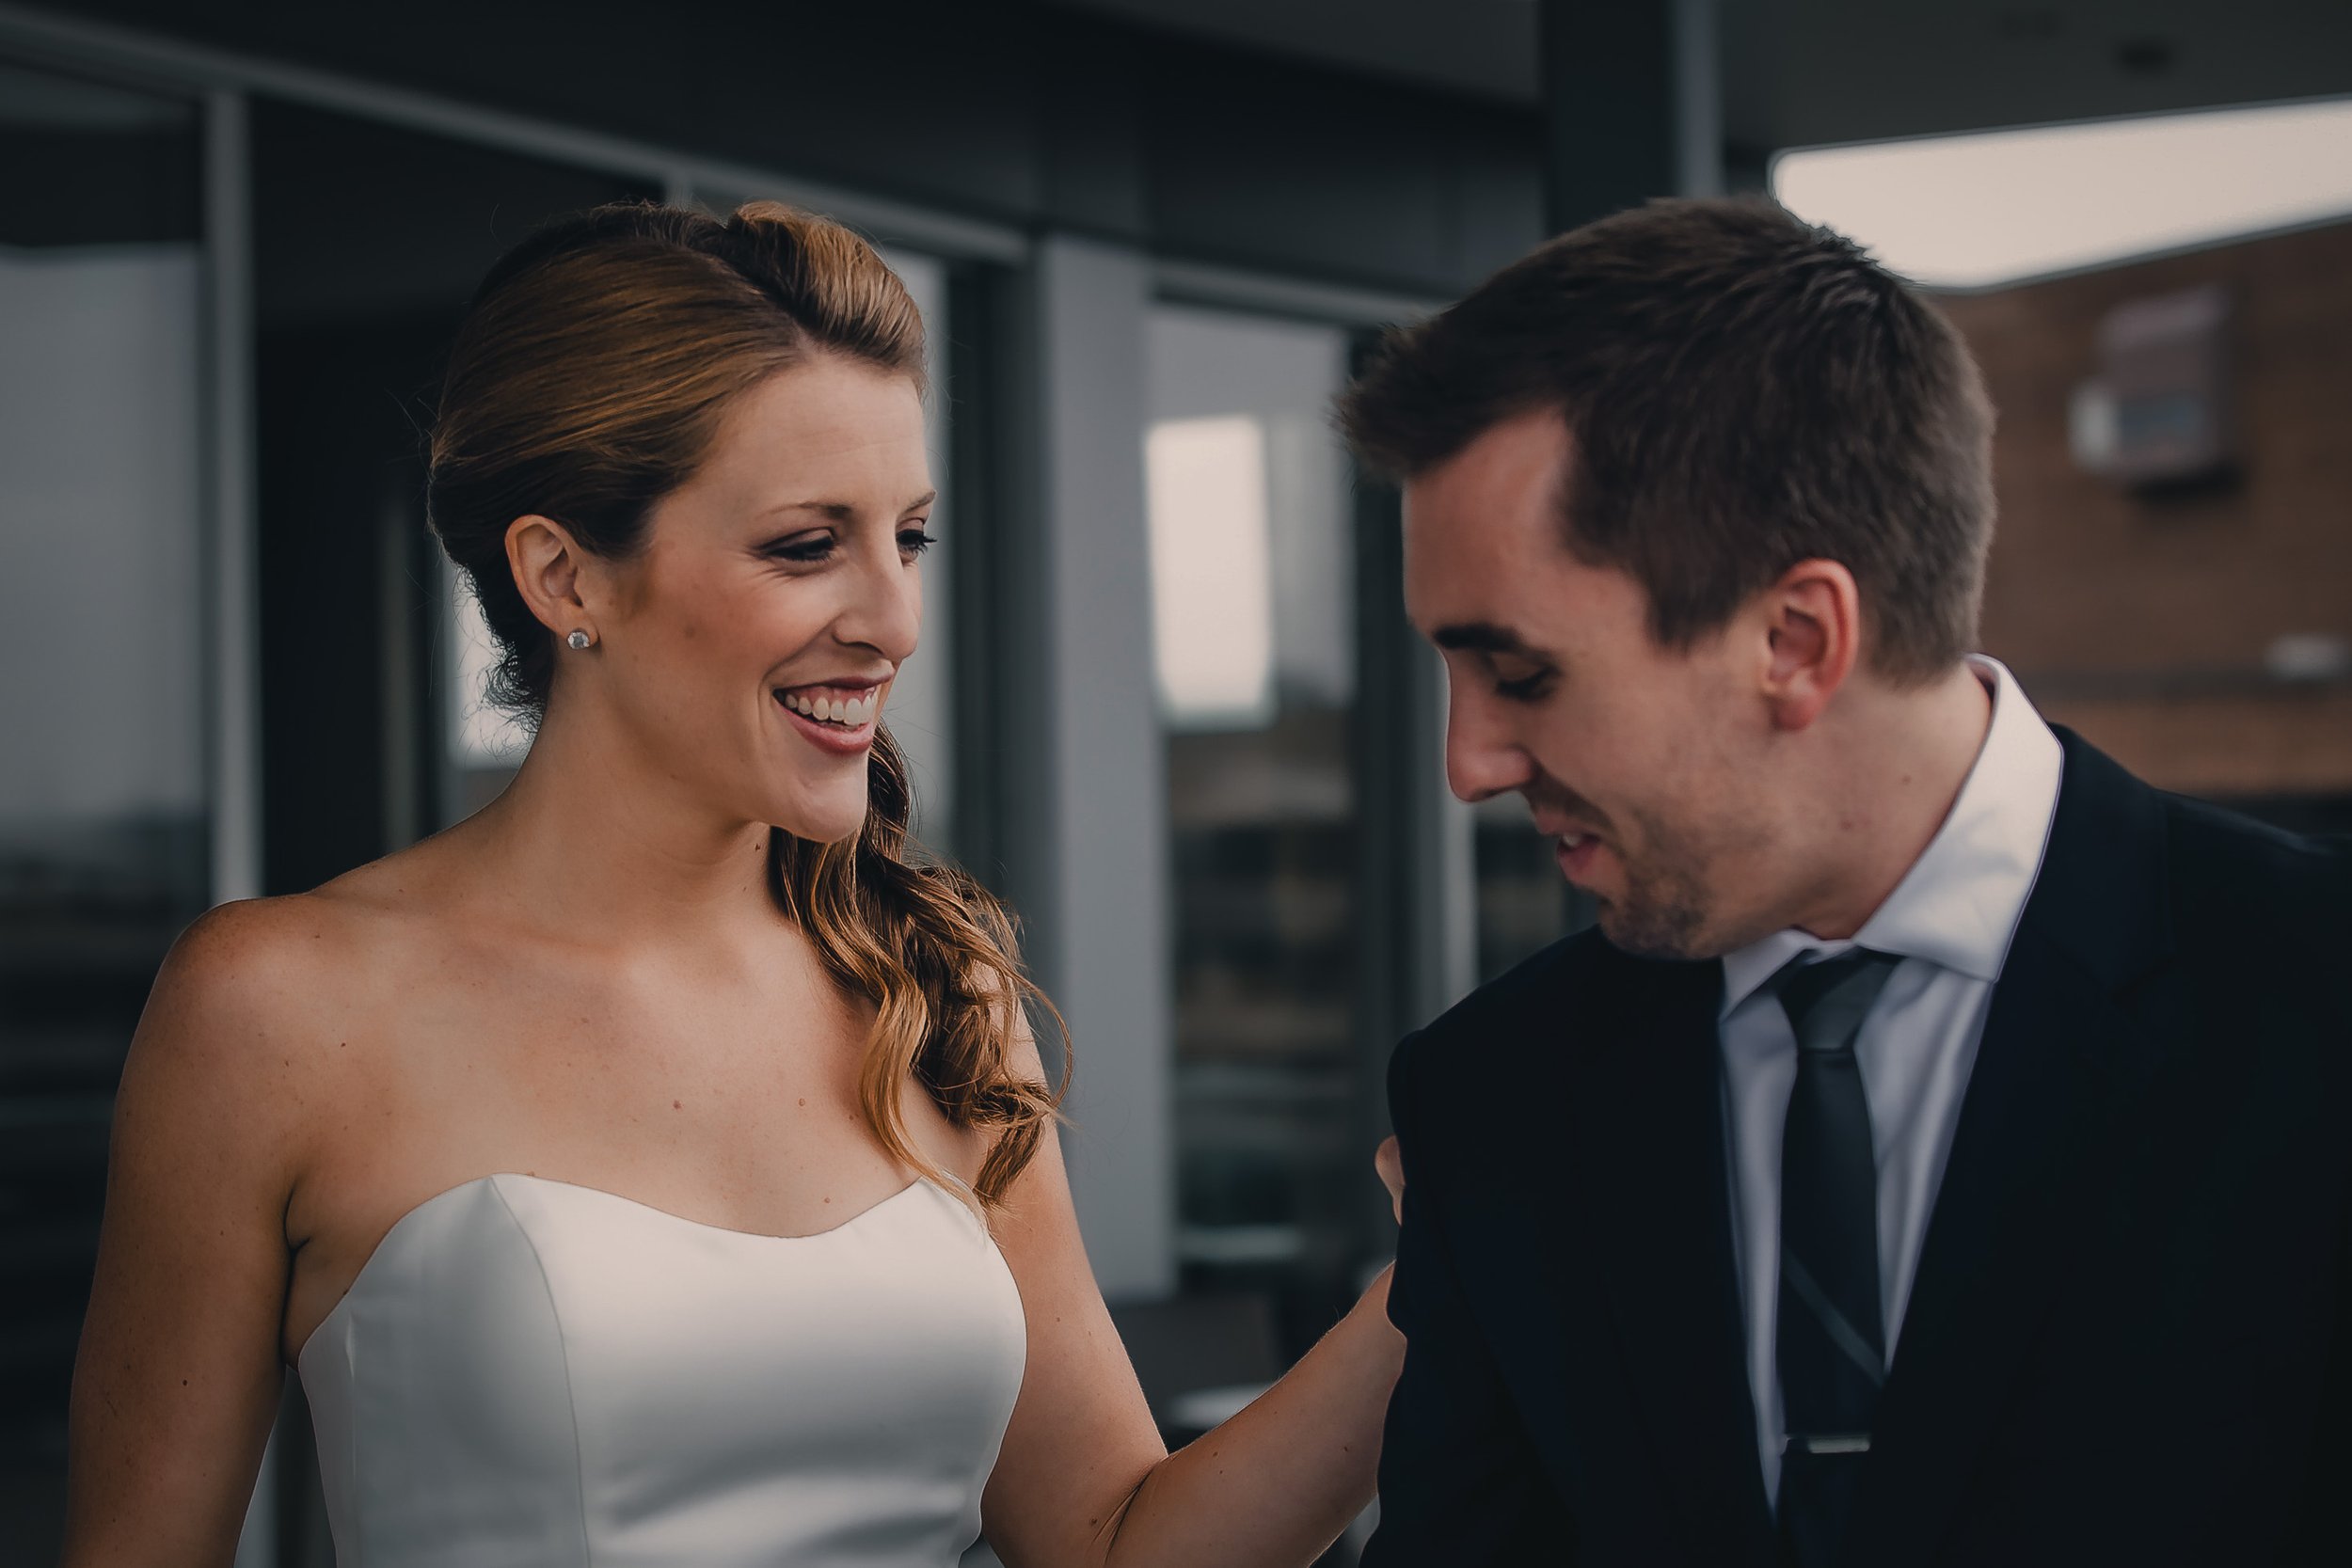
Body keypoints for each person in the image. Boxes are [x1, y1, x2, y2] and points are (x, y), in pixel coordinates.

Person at [61, 199, 1406, 1568]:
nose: (892, 620)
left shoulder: (938, 992)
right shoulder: (278, 1009)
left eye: (911, 537)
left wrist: (1438, 1289)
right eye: (806, 546)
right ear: (563, 573)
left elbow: (1118, 1549)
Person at [1339, 197, 2352, 1567]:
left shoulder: (2313, 1005)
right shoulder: (1497, 1096)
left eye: (1522, 675)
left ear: (1798, 638)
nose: (1467, 762)